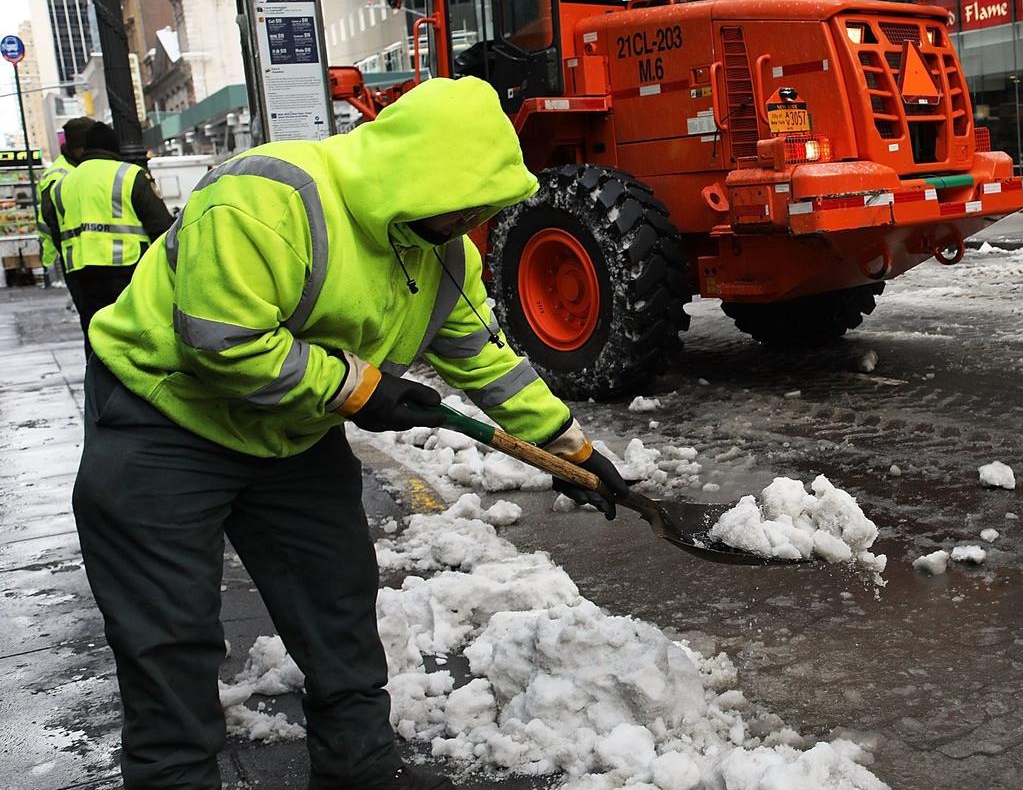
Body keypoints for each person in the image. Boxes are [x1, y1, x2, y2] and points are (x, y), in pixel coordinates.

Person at [73, 77, 631, 790]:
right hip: (164, 421)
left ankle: (357, 769)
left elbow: (485, 361)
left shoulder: (440, 253)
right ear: (414, 174)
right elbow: (221, 341)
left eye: (484, 207)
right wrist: (361, 388)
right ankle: (173, 777)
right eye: (465, 202)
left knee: (337, 604)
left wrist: (572, 450)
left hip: (290, 437)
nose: (472, 220)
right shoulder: (266, 199)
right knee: (168, 634)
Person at [41, 120, 173, 332]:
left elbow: (54, 228)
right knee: (135, 332)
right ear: (114, 147)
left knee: (96, 334)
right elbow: (161, 226)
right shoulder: (129, 174)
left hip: (81, 273)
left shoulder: (61, 184)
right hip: (129, 269)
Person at [34, 117, 98, 269]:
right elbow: (50, 223)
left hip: (95, 257)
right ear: (80, 147)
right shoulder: (57, 176)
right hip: (76, 262)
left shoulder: (84, 167)